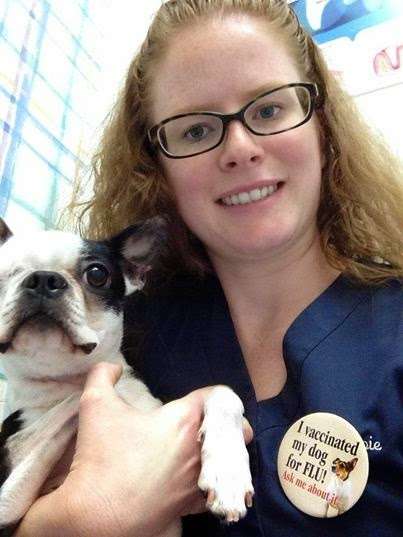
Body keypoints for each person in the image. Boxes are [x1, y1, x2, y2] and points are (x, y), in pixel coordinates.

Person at [15, 0, 403, 535]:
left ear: (322, 123)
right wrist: (65, 524)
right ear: (155, 166)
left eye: (269, 109)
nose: (240, 149)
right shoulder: (116, 337)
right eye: (195, 131)